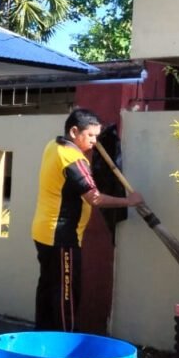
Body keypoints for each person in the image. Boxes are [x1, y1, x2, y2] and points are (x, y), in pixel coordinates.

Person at [31, 109, 144, 332]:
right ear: (74, 132)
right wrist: (129, 201)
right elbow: (95, 198)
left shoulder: (52, 146)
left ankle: (41, 339)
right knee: (67, 295)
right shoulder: (72, 159)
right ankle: (66, 345)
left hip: (43, 232)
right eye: (90, 136)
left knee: (47, 289)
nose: (94, 142)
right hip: (62, 236)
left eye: (96, 137)